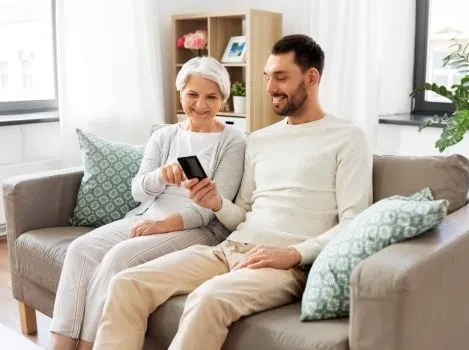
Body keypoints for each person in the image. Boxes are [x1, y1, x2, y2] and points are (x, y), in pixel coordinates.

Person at [93, 34, 373, 350]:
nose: (269, 88)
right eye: (268, 77)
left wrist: (293, 254)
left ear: (311, 78)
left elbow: (355, 221)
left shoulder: (348, 137)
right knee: (128, 283)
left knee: (206, 299)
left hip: (286, 264)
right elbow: (243, 211)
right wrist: (215, 202)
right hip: (231, 247)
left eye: (281, 77)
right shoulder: (261, 140)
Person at [50, 56, 247, 350]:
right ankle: (61, 345)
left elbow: (209, 209)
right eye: (193, 94)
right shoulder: (163, 136)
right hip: (146, 215)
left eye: (212, 97)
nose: (201, 105)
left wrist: (162, 225)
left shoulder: (234, 141)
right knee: (80, 250)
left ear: (223, 99)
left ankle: (90, 344)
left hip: (195, 227)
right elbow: (138, 191)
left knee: (119, 258)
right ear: (181, 93)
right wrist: (160, 176)